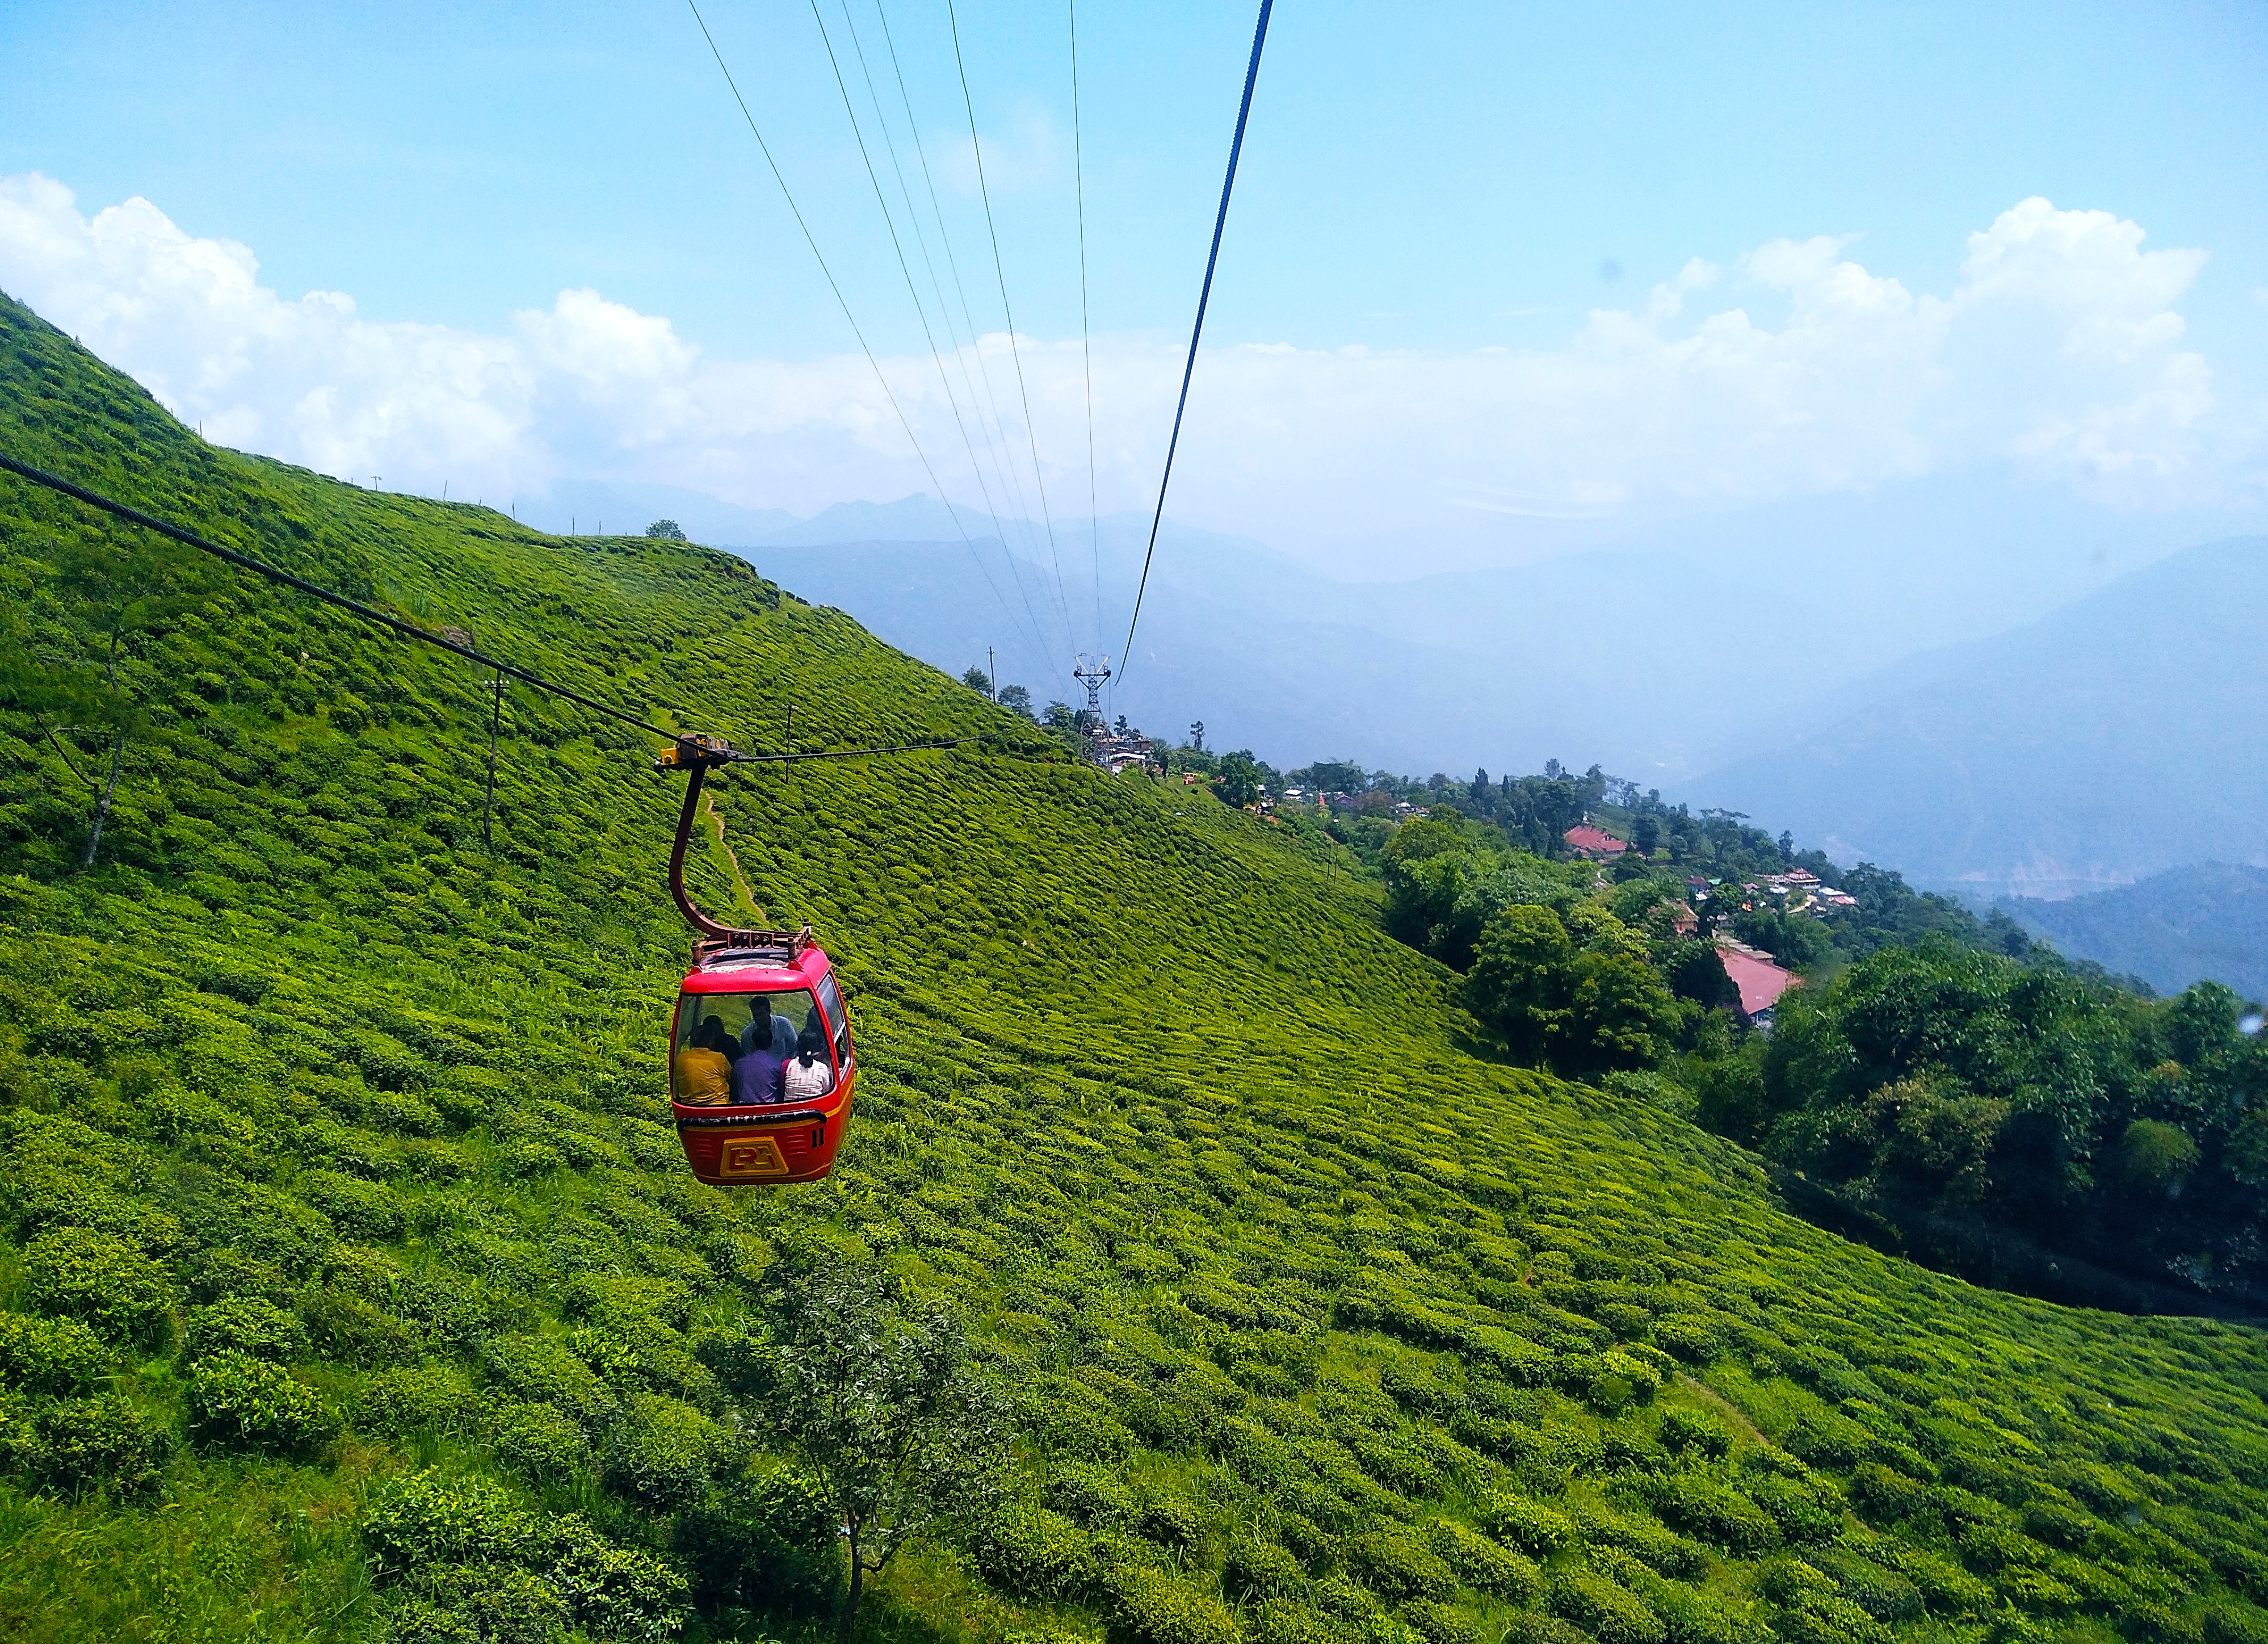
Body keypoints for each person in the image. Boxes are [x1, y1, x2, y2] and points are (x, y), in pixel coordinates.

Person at [674, 1016, 732, 1106]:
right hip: (719, 1106)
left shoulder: (681, 1058)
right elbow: (731, 1078)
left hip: (690, 1107)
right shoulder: (719, 1058)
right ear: (709, 1041)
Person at [783, 1024, 835, 1102]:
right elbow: (826, 1092)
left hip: (789, 1113)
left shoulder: (787, 1066)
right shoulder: (822, 1069)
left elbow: (782, 1090)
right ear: (815, 1050)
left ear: (798, 1047)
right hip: (814, 1113)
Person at [731, 1034, 786, 1105]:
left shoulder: (740, 1063)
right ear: (771, 1044)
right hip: (769, 1109)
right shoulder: (777, 1065)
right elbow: (781, 1090)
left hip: (744, 1108)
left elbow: (734, 1088)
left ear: (753, 1043)